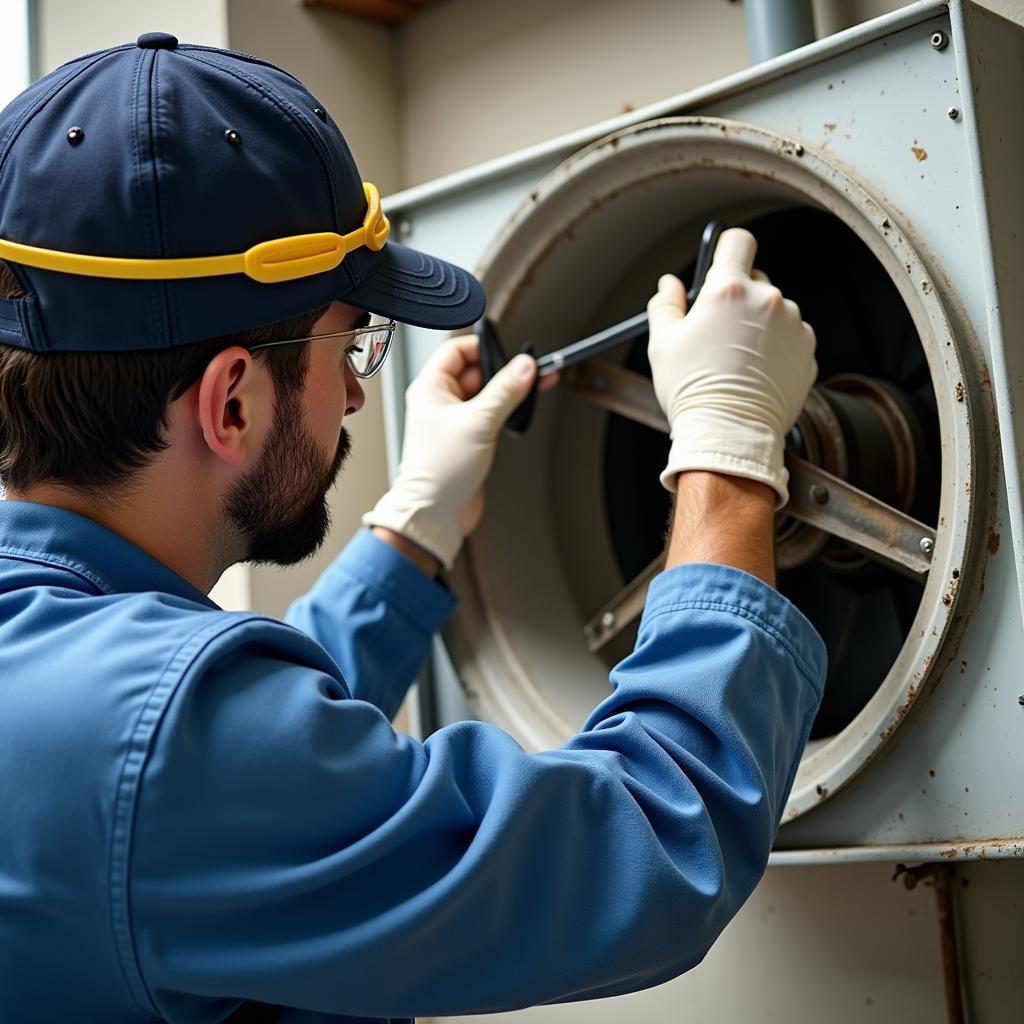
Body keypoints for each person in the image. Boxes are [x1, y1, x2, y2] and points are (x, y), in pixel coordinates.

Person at [0, 33, 824, 1024]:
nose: (355, 393)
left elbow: (218, 778)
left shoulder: (74, 687)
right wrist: (730, 448)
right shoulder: (169, 751)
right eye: (352, 345)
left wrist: (412, 527)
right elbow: (654, 837)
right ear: (230, 403)